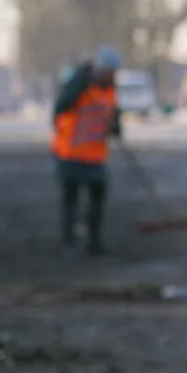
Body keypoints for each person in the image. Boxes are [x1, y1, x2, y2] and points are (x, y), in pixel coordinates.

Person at [50, 45, 123, 256]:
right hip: (70, 153)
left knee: (97, 198)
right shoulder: (79, 84)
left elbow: (112, 114)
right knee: (71, 199)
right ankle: (69, 243)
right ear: (100, 69)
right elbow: (59, 110)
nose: (112, 76)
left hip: (95, 155)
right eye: (110, 72)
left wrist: (116, 127)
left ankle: (94, 242)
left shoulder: (110, 90)